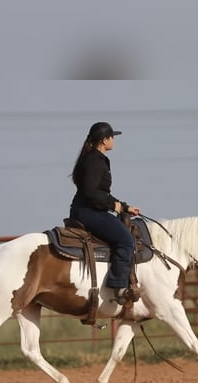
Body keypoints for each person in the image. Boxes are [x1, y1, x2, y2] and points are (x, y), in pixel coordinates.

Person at [69, 121, 141, 304]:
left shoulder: (94, 158)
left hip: (88, 209)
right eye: (112, 137)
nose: (114, 141)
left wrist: (123, 207)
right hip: (88, 212)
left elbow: (101, 193)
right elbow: (91, 193)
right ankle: (118, 286)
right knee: (126, 241)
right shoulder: (95, 161)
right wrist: (113, 206)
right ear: (103, 140)